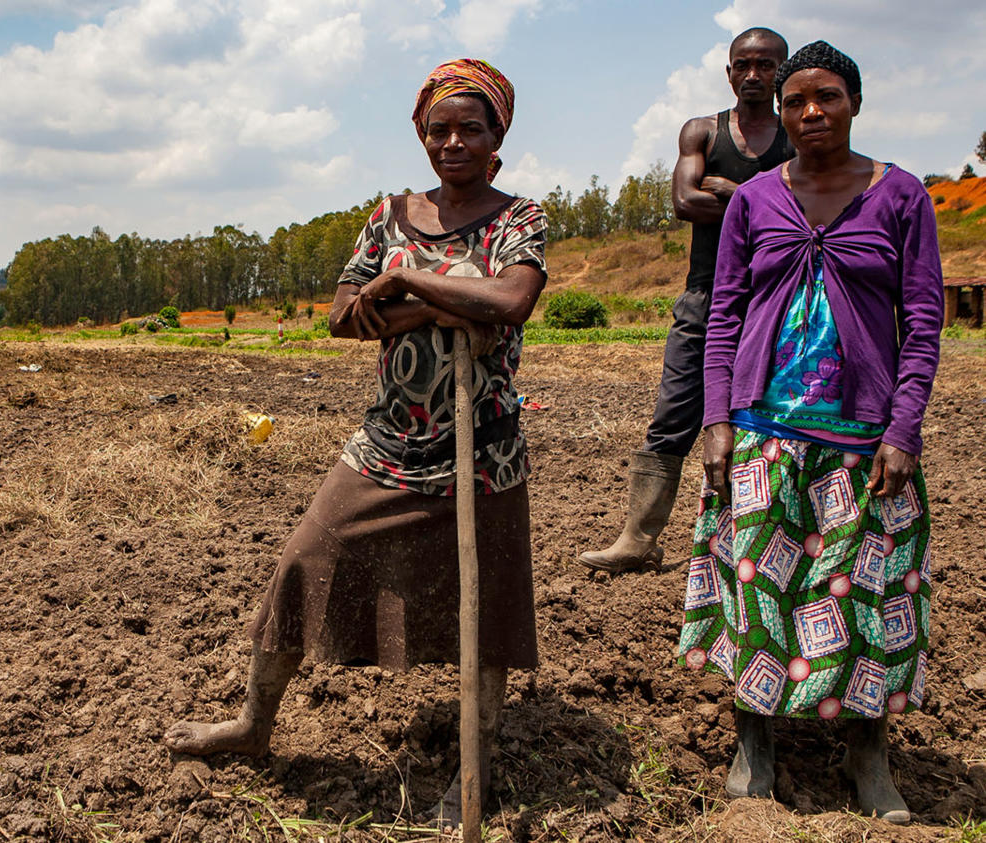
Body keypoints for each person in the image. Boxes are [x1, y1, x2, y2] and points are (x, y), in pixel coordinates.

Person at [163, 58, 546, 827]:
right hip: (387, 444)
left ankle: (473, 768)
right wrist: (438, 301)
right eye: (438, 128)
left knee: (488, 615)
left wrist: (401, 284)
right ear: (421, 135)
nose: (452, 141)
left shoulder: (519, 218)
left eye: (470, 127)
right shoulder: (390, 214)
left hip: (483, 452)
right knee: (303, 560)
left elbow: (511, 300)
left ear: (496, 134)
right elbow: (343, 317)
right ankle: (252, 725)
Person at [678, 42, 942, 824]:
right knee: (758, 591)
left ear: (853, 102)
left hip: (863, 439)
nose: (809, 113)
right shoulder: (755, 200)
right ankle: (752, 744)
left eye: (825, 97)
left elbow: (923, 322)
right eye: (795, 102)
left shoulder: (900, 196)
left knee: (864, 596)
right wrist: (717, 416)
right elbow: (723, 313)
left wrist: (903, 427)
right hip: (762, 425)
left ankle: (869, 757)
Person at [580, 27, 792, 573]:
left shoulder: (798, 135)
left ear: (780, 73)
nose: (752, 75)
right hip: (706, 295)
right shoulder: (703, 130)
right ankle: (638, 537)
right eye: (742, 65)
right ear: (728, 72)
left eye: (765, 66)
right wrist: (764, 198)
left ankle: (757, 542)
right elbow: (683, 200)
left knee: (765, 420)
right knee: (673, 414)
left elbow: (809, 214)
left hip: (777, 299)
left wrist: (732, 191)